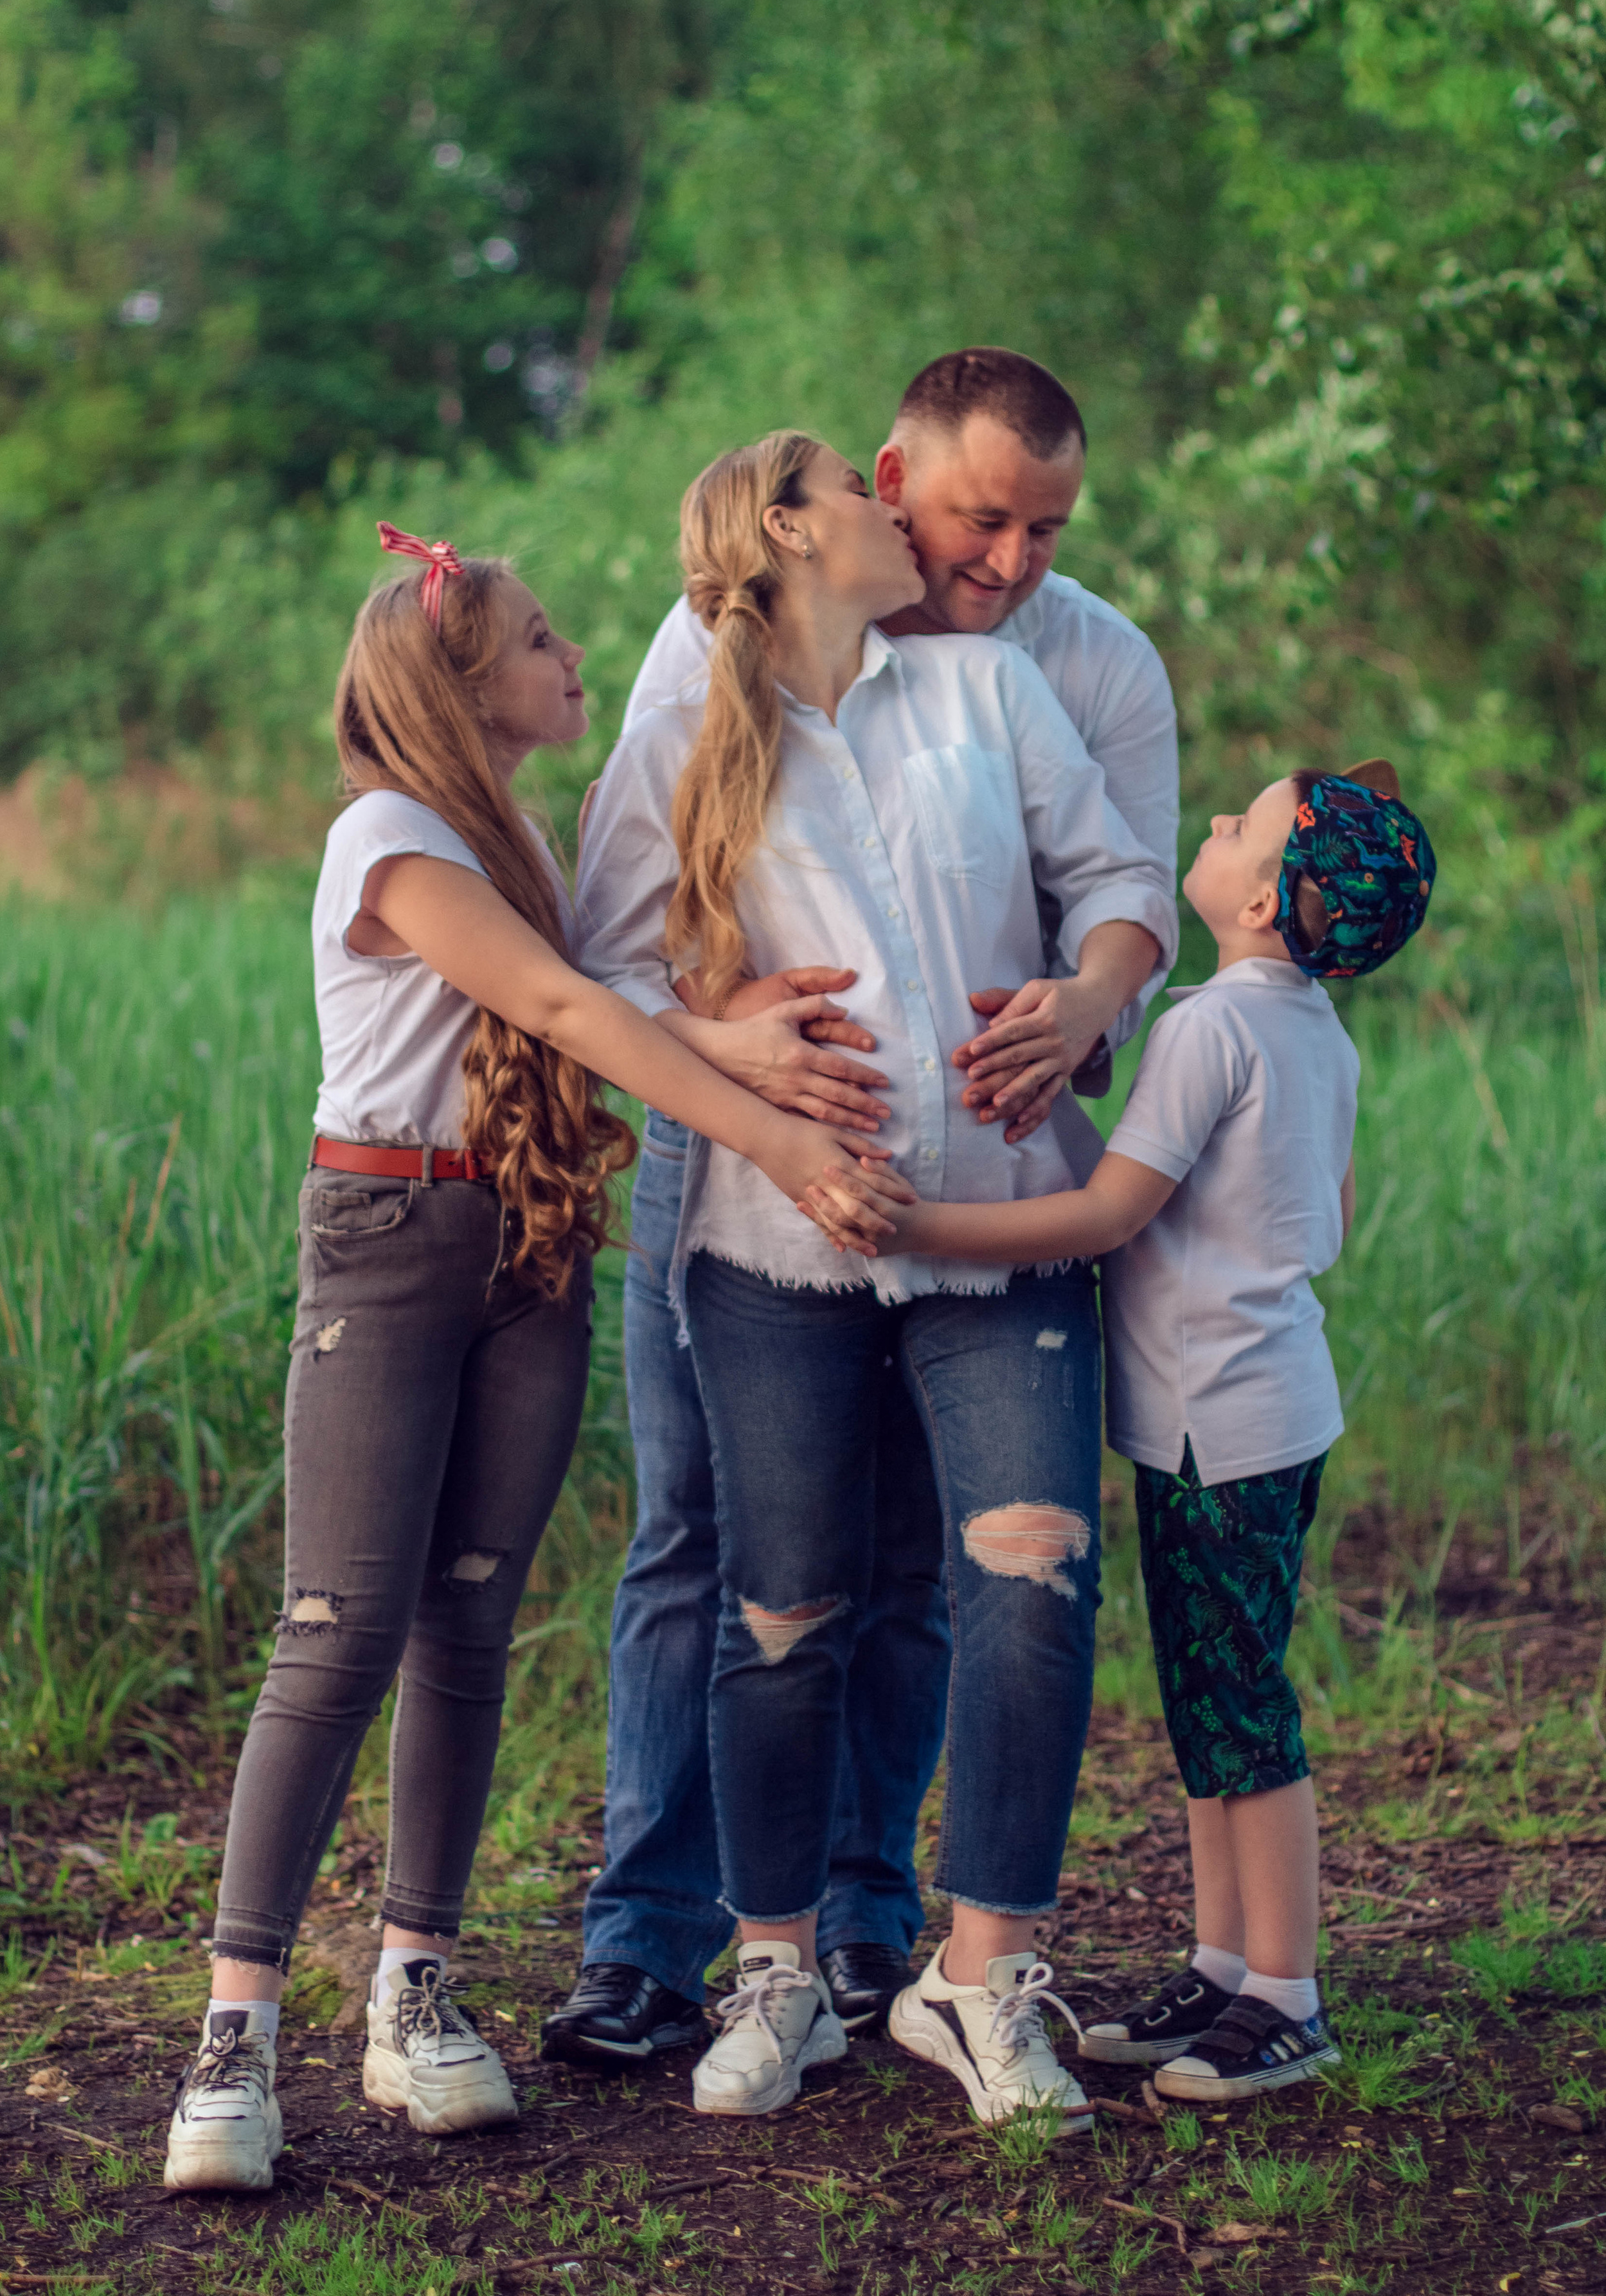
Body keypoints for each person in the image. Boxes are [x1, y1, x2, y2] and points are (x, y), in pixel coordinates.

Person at [163, 526, 890, 2195]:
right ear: (460, 681)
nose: (577, 663)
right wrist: (775, 1134)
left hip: (528, 1243)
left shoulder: (516, 838)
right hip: (390, 1247)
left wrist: (743, 1021)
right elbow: (570, 1017)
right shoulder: (391, 837)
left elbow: (603, 996)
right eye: (547, 643)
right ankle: (238, 2030)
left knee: (469, 1624)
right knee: (334, 1636)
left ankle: (414, 1985)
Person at [551, 347, 1179, 2069]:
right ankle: (667, 1943)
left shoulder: (1056, 671)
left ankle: (891, 1935)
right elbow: (606, 960)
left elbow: (1128, 893)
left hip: (989, 1204)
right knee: (731, 1558)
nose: (1018, 560)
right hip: (749, 1187)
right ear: (886, 491)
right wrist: (741, 1063)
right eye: (988, 517)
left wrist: (1083, 1001)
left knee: (961, 1573)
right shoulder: (713, 659)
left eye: (1051, 526)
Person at [809, 761, 1436, 2103]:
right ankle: (1222, 1967)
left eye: (1240, 824)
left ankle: (1284, 1994)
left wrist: (915, 1227)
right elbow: (1307, 1209)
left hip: (1222, 1425)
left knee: (1241, 1717)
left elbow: (1102, 1216)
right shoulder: (1314, 1030)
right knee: (1215, 1707)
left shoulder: (1212, 1028)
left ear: (1265, 896)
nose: (1211, 824)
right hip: (1256, 1407)